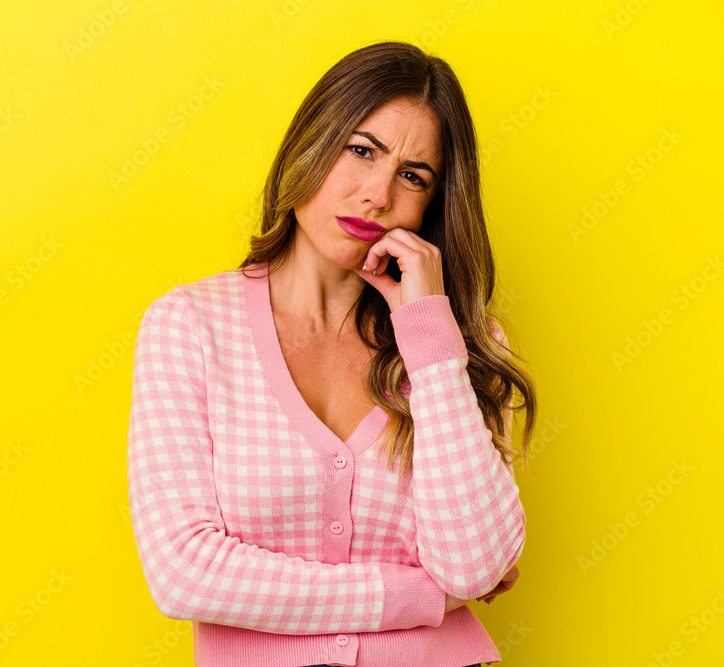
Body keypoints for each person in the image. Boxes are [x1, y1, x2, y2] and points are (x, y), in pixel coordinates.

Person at [127, 40, 538, 667]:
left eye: (413, 176)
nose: (378, 195)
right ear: (310, 144)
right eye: (361, 150)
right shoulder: (190, 327)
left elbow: (476, 565)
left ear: (431, 205)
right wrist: (418, 596)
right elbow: (185, 573)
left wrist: (429, 336)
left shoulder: (456, 342)